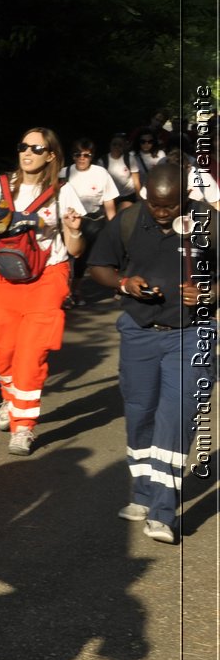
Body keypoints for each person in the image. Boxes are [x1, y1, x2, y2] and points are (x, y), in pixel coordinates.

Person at [87, 164, 216, 543]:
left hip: (192, 334)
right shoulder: (129, 220)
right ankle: (143, 494)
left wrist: (209, 293)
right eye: (155, 205)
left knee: (177, 418)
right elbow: (98, 267)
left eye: (170, 207)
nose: (161, 214)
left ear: (186, 198)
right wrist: (125, 283)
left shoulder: (208, 221)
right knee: (139, 414)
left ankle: (162, 512)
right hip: (139, 332)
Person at [0, 128, 85, 455]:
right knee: (1, 348)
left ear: (50, 155)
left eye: (37, 148)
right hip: (6, 279)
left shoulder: (63, 193)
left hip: (49, 278)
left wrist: (75, 230)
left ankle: (24, 427)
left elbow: (76, 250)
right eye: (23, 146)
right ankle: (10, 399)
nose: (28, 152)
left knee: (31, 353)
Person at [61, 137, 119, 306]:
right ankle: (65, 293)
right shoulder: (63, 174)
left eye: (86, 155)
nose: (81, 158)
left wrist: (114, 227)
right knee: (66, 257)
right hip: (69, 222)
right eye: (77, 154)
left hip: (94, 221)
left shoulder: (100, 173)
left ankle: (76, 290)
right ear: (72, 156)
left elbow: (109, 202)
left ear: (92, 156)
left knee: (85, 258)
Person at [104, 132, 143, 203]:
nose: (116, 147)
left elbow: (136, 181)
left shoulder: (129, 159)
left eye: (120, 145)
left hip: (129, 195)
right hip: (112, 197)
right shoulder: (103, 161)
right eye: (114, 144)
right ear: (110, 145)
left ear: (124, 146)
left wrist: (139, 198)